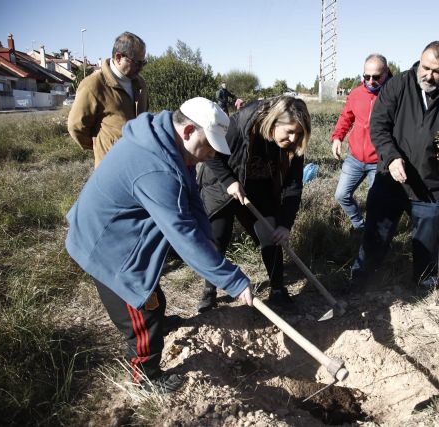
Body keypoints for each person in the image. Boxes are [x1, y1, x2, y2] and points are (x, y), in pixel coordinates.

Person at [66, 97, 254, 393]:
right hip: (106, 245)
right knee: (145, 314)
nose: (209, 155)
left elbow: (190, 196)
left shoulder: (167, 141)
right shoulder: (158, 168)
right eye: (208, 146)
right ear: (189, 130)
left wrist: (207, 234)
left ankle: (154, 335)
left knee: (157, 302)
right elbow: (182, 234)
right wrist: (233, 280)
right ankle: (145, 378)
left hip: (118, 230)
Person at [350, 41, 439, 289]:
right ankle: (362, 278)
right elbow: (379, 126)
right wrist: (392, 156)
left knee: (426, 239)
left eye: (436, 71)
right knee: (376, 232)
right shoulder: (399, 84)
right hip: (390, 176)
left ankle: (425, 284)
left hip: (428, 183)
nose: (428, 75)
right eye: (425, 67)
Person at [196, 96, 311, 312]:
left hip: (260, 186)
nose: (293, 138)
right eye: (289, 132)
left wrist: (285, 224)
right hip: (221, 182)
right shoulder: (241, 124)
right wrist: (230, 181)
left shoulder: (294, 144)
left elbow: (293, 186)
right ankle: (209, 291)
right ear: (274, 122)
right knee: (218, 237)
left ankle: (277, 291)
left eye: (299, 133)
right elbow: (209, 151)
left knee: (272, 235)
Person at [68, 31, 149, 167]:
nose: (140, 68)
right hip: (110, 167)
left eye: (143, 63)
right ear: (118, 57)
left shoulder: (140, 83)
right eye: (136, 63)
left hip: (137, 162)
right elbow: (76, 127)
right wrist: (101, 145)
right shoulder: (93, 85)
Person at [330, 53, 391, 230]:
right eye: (366, 76)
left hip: (379, 161)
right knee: (341, 195)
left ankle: (374, 232)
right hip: (355, 158)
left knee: (376, 202)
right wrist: (337, 137)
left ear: (386, 73)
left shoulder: (393, 95)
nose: (371, 81)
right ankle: (358, 225)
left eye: (376, 77)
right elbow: (346, 117)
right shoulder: (356, 94)